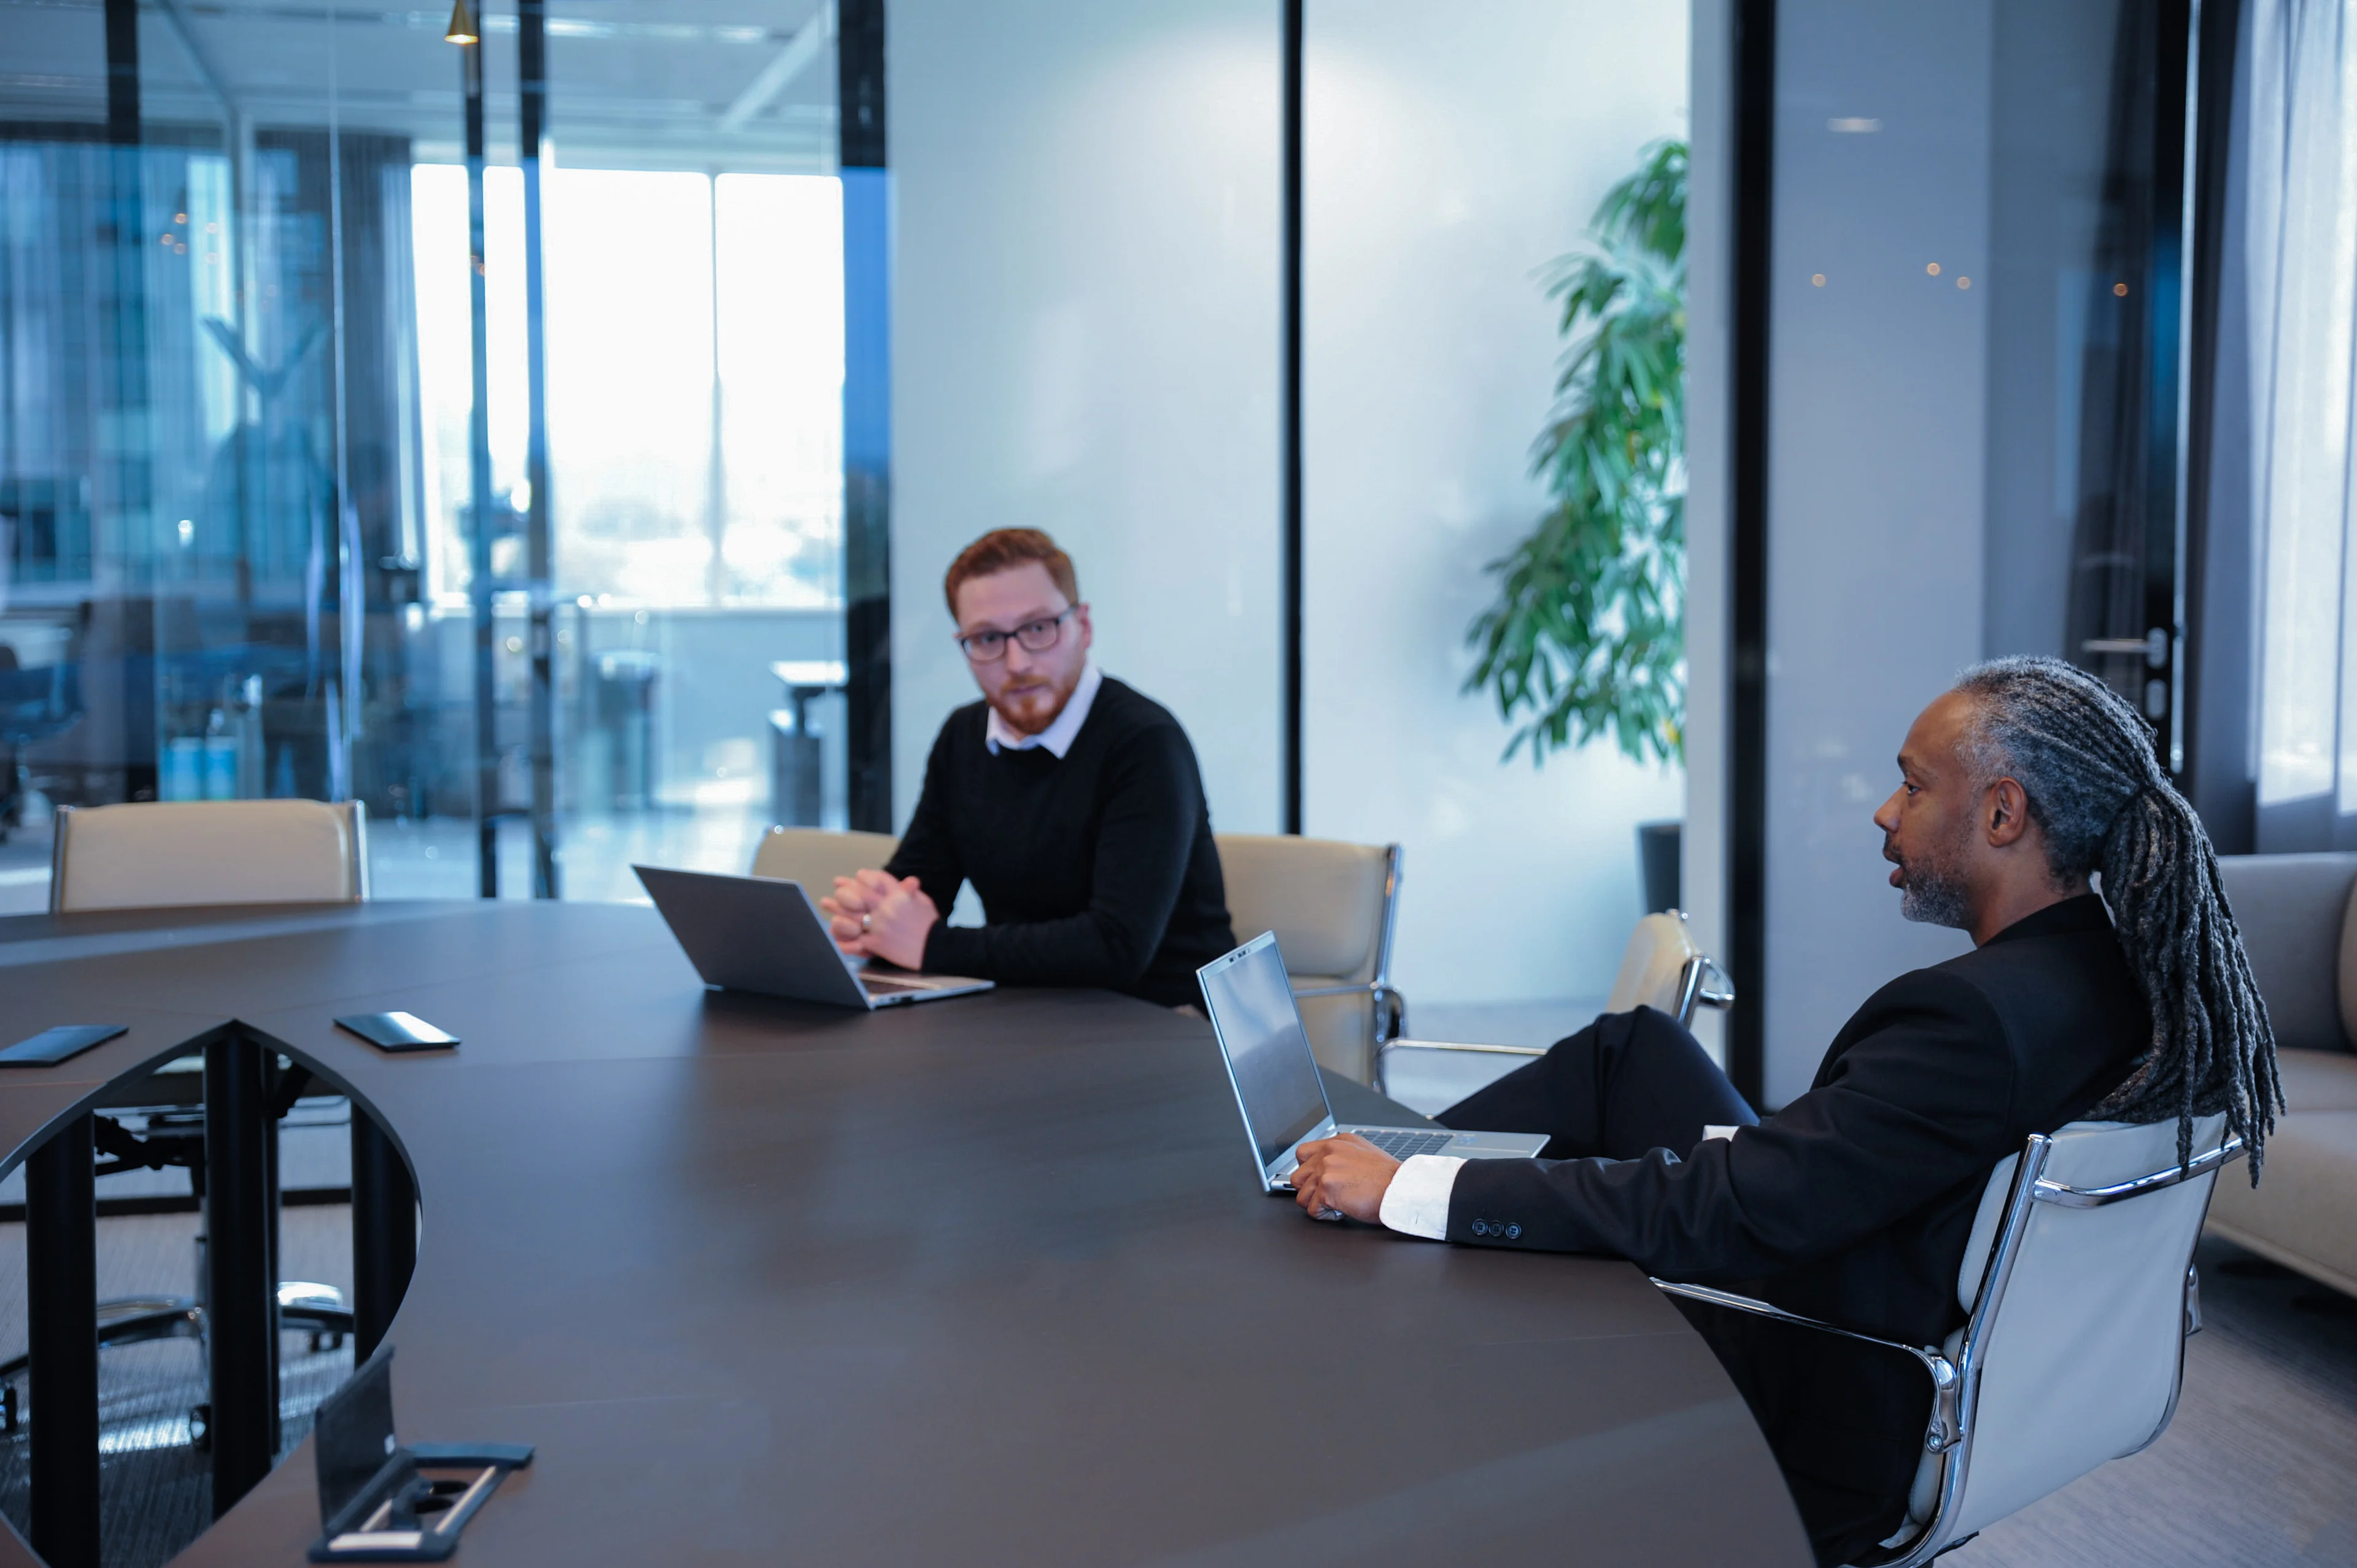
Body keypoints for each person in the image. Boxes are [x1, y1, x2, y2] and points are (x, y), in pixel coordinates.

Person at [1285, 657, 2281, 1566]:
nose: (1884, 812)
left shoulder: (1973, 1020)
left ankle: (1378, 1198)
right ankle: (1366, 1166)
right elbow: (1845, 1168)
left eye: (1913, 785)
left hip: (1826, 1384)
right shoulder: (2132, 979)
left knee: (1499, 1252)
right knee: (1631, 1054)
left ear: (2003, 812)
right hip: (1889, 1267)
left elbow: (1737, 1211)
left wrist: (1427, 1191)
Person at [818, 528, 1236, 1008]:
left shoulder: (1144, 741)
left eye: (1038, 629)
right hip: (1032, 1012)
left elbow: (1116, 947)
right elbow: (920, 885)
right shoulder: (963, 735)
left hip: (1172, 1021)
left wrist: (930, 944)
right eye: (988, 638)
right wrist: (875, 915)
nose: (1016, 662)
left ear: (1084, 626)